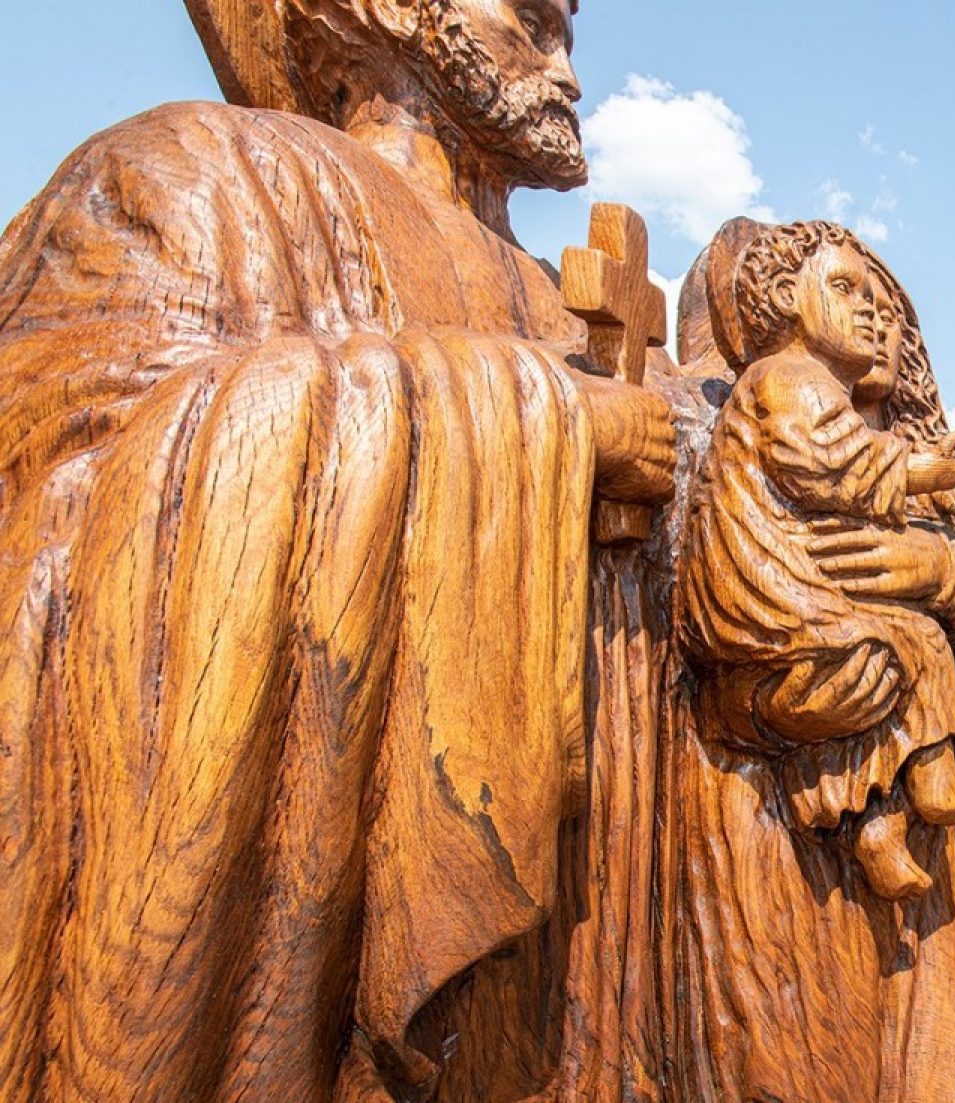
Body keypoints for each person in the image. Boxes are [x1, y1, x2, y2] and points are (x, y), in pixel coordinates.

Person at [0, 2, 673, 1098]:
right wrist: (547, 422)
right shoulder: (200, 174)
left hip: (572, 962)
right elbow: (77, 482)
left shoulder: (562, 291)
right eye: (533, 22)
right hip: (322, 936)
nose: (567, 66)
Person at [676, 217, 955, 898]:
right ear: (788, 295)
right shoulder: (791, 379)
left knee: (915, 645)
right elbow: (830, 461)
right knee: (902, 647)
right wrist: (919, 472)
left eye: (882, 305)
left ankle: (888, 820)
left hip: (806, 623)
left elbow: (852, 467)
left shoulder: (824, 397)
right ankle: (923, 781)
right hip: (771, 616)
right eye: (846, 289)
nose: (870, 316)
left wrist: (947, 554)